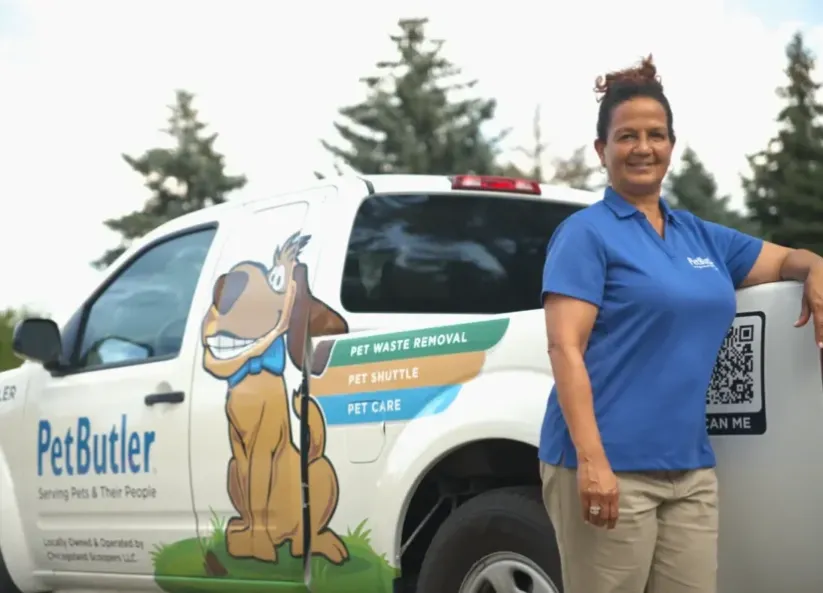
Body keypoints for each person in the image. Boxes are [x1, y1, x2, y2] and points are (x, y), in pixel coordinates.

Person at [538, 54, 823, 593]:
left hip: (690, 471)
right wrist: (593, 461)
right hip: (609, 467)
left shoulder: (700, 237)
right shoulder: (586, 234)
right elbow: (564, 349)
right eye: (626, 137)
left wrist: (815, 267)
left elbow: (787, 260)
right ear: (602, 150)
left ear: (671, 144)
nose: (642, 148)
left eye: (656, 135)